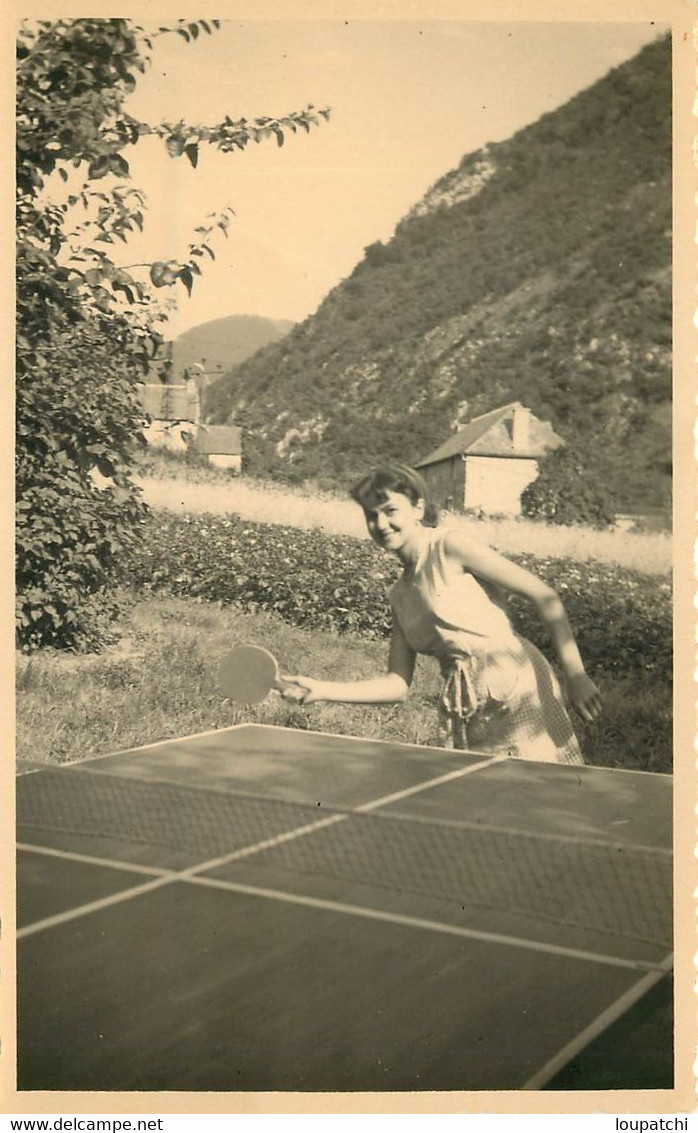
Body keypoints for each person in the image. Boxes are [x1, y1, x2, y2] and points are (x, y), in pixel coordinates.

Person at [281, 463, 601, 762]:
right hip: (465, 702)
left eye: (390, 510)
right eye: (371, 515)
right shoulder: (400, 594)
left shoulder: (450, 547)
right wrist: (322, 689)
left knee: (536, 794)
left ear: (418, 508)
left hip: (514, 686)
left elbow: (545, 596)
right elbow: (397, 684)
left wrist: (576, 674)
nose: (380, 524)